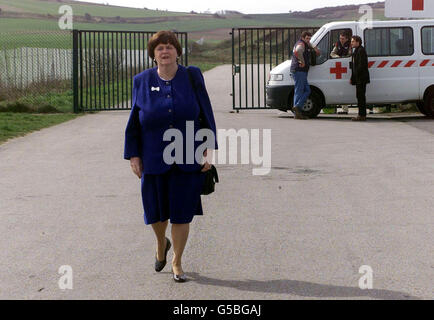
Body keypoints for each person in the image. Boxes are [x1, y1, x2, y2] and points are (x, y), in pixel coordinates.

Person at [124, 30, 218, 282]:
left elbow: (205, 112)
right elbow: (134, 120)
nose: (164, 51)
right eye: (159, 48)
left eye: (169, 47)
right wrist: (133, 154)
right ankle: (160, 242)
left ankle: (177, 260)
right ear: (153, 55)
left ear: (178, 51)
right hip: (153, 154)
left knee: (181, 211)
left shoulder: (192, 76)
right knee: (155, 212)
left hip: (188, 153)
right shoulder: (141, 80)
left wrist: (207, 149)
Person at [290, 31, 320, 120]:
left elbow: (315, 50)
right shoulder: (301, 44)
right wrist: (302, 62)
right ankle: (297, 110)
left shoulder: (304, 43)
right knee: (299, 91)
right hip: (299, 70)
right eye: (307, 38)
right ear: (302, 37)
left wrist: (313, 46)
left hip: (301, 71)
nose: (308, 40)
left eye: (309, 38)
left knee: (306, 90)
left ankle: (297, 109)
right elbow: (298, 51)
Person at [350, 35, 370, 121]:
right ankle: (361, 114)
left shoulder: (361, 51)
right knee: (359, 96)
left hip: (361, 78)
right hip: (358, 78)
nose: (351, 43)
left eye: (353, 41)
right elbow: (354, 66)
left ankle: (362, 115)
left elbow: (361, 66)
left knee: (361, 97)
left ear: (358, 42)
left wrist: (356, 76)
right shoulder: (356, 51)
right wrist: (352, 77)